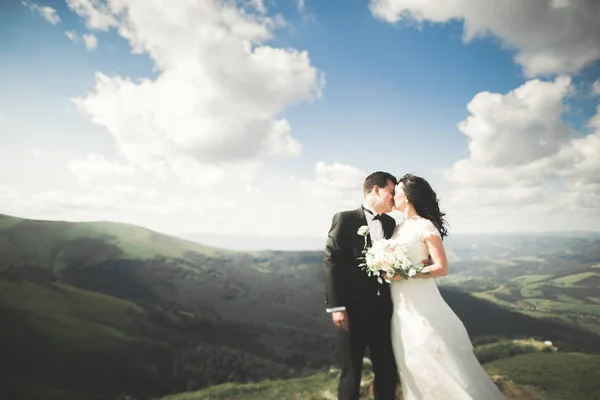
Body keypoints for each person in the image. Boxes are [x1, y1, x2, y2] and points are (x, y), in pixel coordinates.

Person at [388, 173, 505, 400]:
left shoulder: (426, 227)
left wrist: (407, 273)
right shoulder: (395, 227)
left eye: (398, 192)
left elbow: (441, 268)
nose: (394, 196)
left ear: (409, 198)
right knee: (409, 359)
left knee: (429, 351)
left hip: (421, 301)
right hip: (399, 304)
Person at [322, 171, 399, 400]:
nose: (394, 198)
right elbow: (331, 261)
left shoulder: (390, 222)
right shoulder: (345, 219)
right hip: (352, 312)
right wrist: (337, 307)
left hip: (384, 310)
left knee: (387, 369)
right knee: (351, 372)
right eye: (391, 192)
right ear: (376, 190)